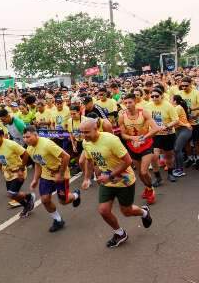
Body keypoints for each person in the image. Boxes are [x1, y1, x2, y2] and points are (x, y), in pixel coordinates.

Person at [80, 119, 152, 248]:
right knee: (103, 210)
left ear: (96, 129)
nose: (84, 136)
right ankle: (120, 233)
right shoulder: (86, 142)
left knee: (126, 211)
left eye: (87, 132)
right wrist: (87, 178)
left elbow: (128, 161)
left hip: (124, 181)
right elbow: (90, 161)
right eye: (82, 133)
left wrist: (110, 175)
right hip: (107, 181)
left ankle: (144, 212)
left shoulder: (111, 140)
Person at [23, 126, 80, 232]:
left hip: (61, 174)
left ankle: (76, 195)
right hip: (46, 175)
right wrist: (35, 179)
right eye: (24, 137)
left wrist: (60, 174)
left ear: (36, 135)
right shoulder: (29, 149)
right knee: (45, 200)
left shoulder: (47, 144)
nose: (26, 140)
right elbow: (38, 164)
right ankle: (58, 220)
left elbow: (66, 156)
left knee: (63, 201)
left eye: (28, 137)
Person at [118, 93, 160, 205]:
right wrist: (133, 138)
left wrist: (143, 138)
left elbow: (156, 128)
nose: (127, 105)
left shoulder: (144, 113)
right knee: (140, 174)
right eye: (125, 103)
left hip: (146, 144)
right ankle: (147, 187)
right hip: (133, 146)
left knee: (144, 171)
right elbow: (123, 135)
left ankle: (151, 190)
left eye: (130, 102)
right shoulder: (122, 116)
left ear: (135, 102)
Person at [0, 127, 36, 217]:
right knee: (13, 195)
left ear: (2, 136)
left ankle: (28, 200)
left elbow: (25, 154)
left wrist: (21, 169)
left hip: (18, 172)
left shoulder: (11, 144)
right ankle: (28, 201)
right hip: (7, 173)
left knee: (12, 193)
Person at [148, 88, 179, 185]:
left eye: (156, 96)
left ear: (161, 96)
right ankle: (158, 177)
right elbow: (145, 120)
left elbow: (176, 120)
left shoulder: (168, 106)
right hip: (155, 135)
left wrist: (166, 126)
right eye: (152, 96)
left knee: (168, 156)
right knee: (154, 156)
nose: (154, 98)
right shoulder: (148, 106)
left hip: (168, 134)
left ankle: (170, 173)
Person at [177, 77, 199, 168]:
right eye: (182, 86)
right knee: (186, 142)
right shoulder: (179, 94)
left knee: (197, 142)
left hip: (196, 122)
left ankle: (197, 159)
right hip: (185, 123)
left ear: (191, 84)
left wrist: (194, 113)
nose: (184, 87)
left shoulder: (196, 93)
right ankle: (190, 159)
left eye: (186, 85)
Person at [171, 95, 192, 177]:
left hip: (185, 129)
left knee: (177, 149)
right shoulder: (175, 107)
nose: (170, 101)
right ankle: (177, 168)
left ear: (175, 101)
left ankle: (181, 170)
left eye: (171, 99)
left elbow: (175, 121)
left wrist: (186, 125)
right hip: (179, 130)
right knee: (176, 149)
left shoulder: (177, 108)